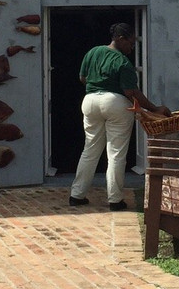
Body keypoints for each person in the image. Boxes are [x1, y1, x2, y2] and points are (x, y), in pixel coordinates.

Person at [69, 22, 170, 211]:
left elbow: (83, 78)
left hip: (89, 101)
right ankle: (115, 200)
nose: (131, 48)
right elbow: (130, 92)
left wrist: (98, 83)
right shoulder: (122, 62)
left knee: (89, 150)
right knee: (115, 153)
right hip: (114, 103)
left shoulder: (93, 52)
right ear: (120, 38)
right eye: (130, 43)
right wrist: (154, 108)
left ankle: (77, 195)